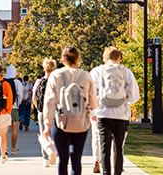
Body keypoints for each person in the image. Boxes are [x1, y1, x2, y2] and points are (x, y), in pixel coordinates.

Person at [43, 46, 98, 175]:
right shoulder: (86, 76)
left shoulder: (56, 75)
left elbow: (49, 102)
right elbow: (94, 103)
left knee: (63, 160)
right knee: (76, 159)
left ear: (62, 60)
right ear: (78, 59)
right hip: (80, 123)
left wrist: (47, 126)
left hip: (61, 122)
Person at [91, 46, 140, 175]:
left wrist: (92, 111)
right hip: (121, 115)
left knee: (104, 147)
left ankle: (106, 172)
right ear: (119, 59)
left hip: (103, 114)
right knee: (118, 147)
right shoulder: (127, 72)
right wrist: (126, 101)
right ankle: (117, 172)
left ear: (105, 58)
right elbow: (135, 96)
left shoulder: (97, 71)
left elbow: (89, 94)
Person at [32, 57, 57, 168]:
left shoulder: (39, 81)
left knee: (44, 133)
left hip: (42, 111)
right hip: (55, 111)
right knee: (56, 133)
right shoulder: (57, 80)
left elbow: (34, 97)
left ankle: (46, 158)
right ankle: (55, 153)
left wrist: (38, 108)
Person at [4, 65, 23, 154]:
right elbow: (20, 95)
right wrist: (17, 104)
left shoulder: (3, 81)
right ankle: (13, 147)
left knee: (4, 129)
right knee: (14, 129)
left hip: (4, 109)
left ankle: (5, 147)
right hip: (14, 108)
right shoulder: (17, 82)